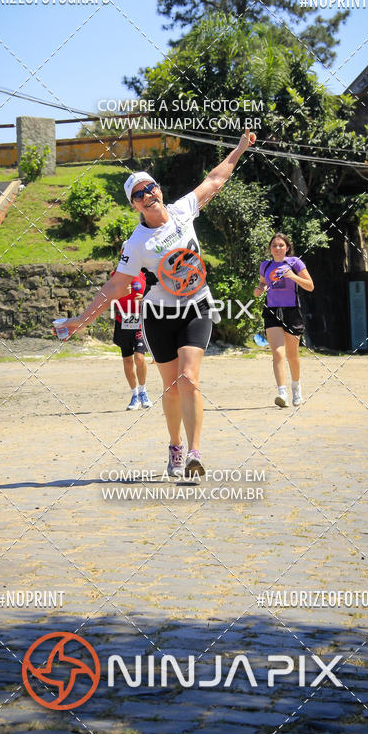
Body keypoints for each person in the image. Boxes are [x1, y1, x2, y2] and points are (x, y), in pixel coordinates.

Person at [57, 129, 252, 478]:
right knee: (172, 386)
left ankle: (194, 453)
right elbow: (116, 285)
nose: (147, 195)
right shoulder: (137, 243)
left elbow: (215, 179)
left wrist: (238, 149)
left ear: (158, 190)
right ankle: (175, 447)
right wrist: (81, 320)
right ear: (133, 205)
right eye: (138, 194)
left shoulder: (182, 211)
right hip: (160, 315)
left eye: (150, 188)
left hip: (197, 307)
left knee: (189, 379)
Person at [254, 233, 314, 408]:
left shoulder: (295, 263)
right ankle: (282, 393)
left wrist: (292, 276)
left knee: (292, 355)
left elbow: (310, 285)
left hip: (292, 311)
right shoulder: (265, 265)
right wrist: (259, 289)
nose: (277, 248)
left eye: (281, 245)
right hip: (272, 311)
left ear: (287, 247)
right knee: (278, 353)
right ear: (270, 249)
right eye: (274, 245)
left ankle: (296, 388)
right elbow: (262, 284)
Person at [110, 268, 152, 410]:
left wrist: (145, 298)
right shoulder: (115, 276)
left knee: (139, 358)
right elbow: (107, 298)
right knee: (127, 361)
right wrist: (118, 294)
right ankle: (135, 395)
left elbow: (155, 295)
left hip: (139, 321)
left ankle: (143, 392)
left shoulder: (145, 274)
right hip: (122, 321)